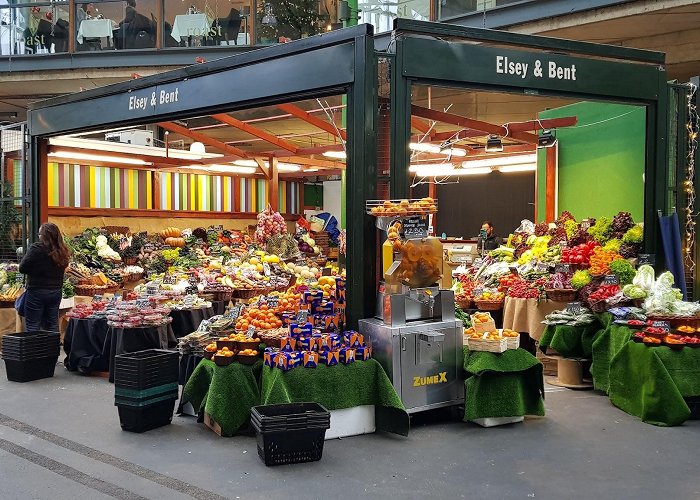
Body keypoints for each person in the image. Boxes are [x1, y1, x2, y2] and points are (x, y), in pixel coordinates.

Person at [18, 223, 71, 332]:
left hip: (37, 291)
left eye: (39, 234)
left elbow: (22, 268)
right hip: (56, 292)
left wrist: (36, 270)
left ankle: (35, 348)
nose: (38, 236)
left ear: (43, 236)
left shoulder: (36, 249)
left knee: (33, 325)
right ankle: (52, 348)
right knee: (52, 324)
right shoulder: (62, 251)